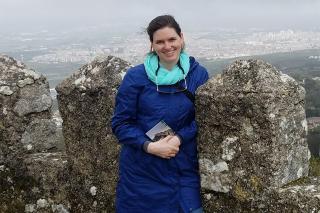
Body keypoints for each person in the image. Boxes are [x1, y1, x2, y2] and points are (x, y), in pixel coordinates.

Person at [111, 15, 209, 213]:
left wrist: (179, 138)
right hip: (143, 172)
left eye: (172, 39)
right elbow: (121, 123)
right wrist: (149, 147)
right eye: (160, 42)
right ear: (152, 45)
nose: (167, 46)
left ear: (181, 38)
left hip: (183, 166)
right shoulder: (136, 77)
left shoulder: (197, 75)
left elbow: (205, 120)